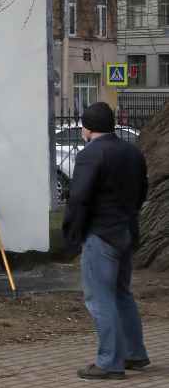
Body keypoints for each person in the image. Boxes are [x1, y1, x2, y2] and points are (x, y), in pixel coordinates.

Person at [63, 102, 149, 381]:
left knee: (100, 299)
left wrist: (72, 230)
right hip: (127, 230)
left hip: (101, 233)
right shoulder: (133, 151)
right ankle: (134, 353)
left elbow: (79, 196)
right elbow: (142, 190)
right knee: (122, 293)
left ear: (87, 128)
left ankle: (109, 362)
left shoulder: (91, 153)